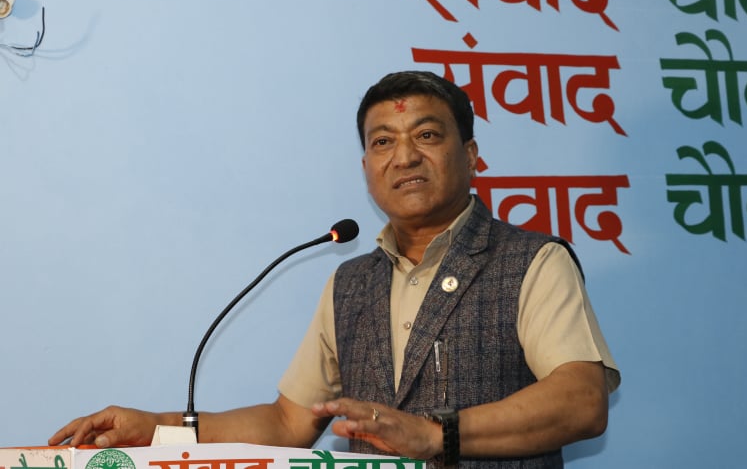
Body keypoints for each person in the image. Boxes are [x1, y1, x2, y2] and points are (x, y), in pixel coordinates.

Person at [49, 71, 620, 467]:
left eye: (426, 135)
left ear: (471, 156)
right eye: (383, 142)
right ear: (367, 168)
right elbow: (286, 424)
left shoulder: (531, 261)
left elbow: (581, 402)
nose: (405, 156)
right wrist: (155, 427)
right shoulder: (351, 282)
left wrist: (434, 435)